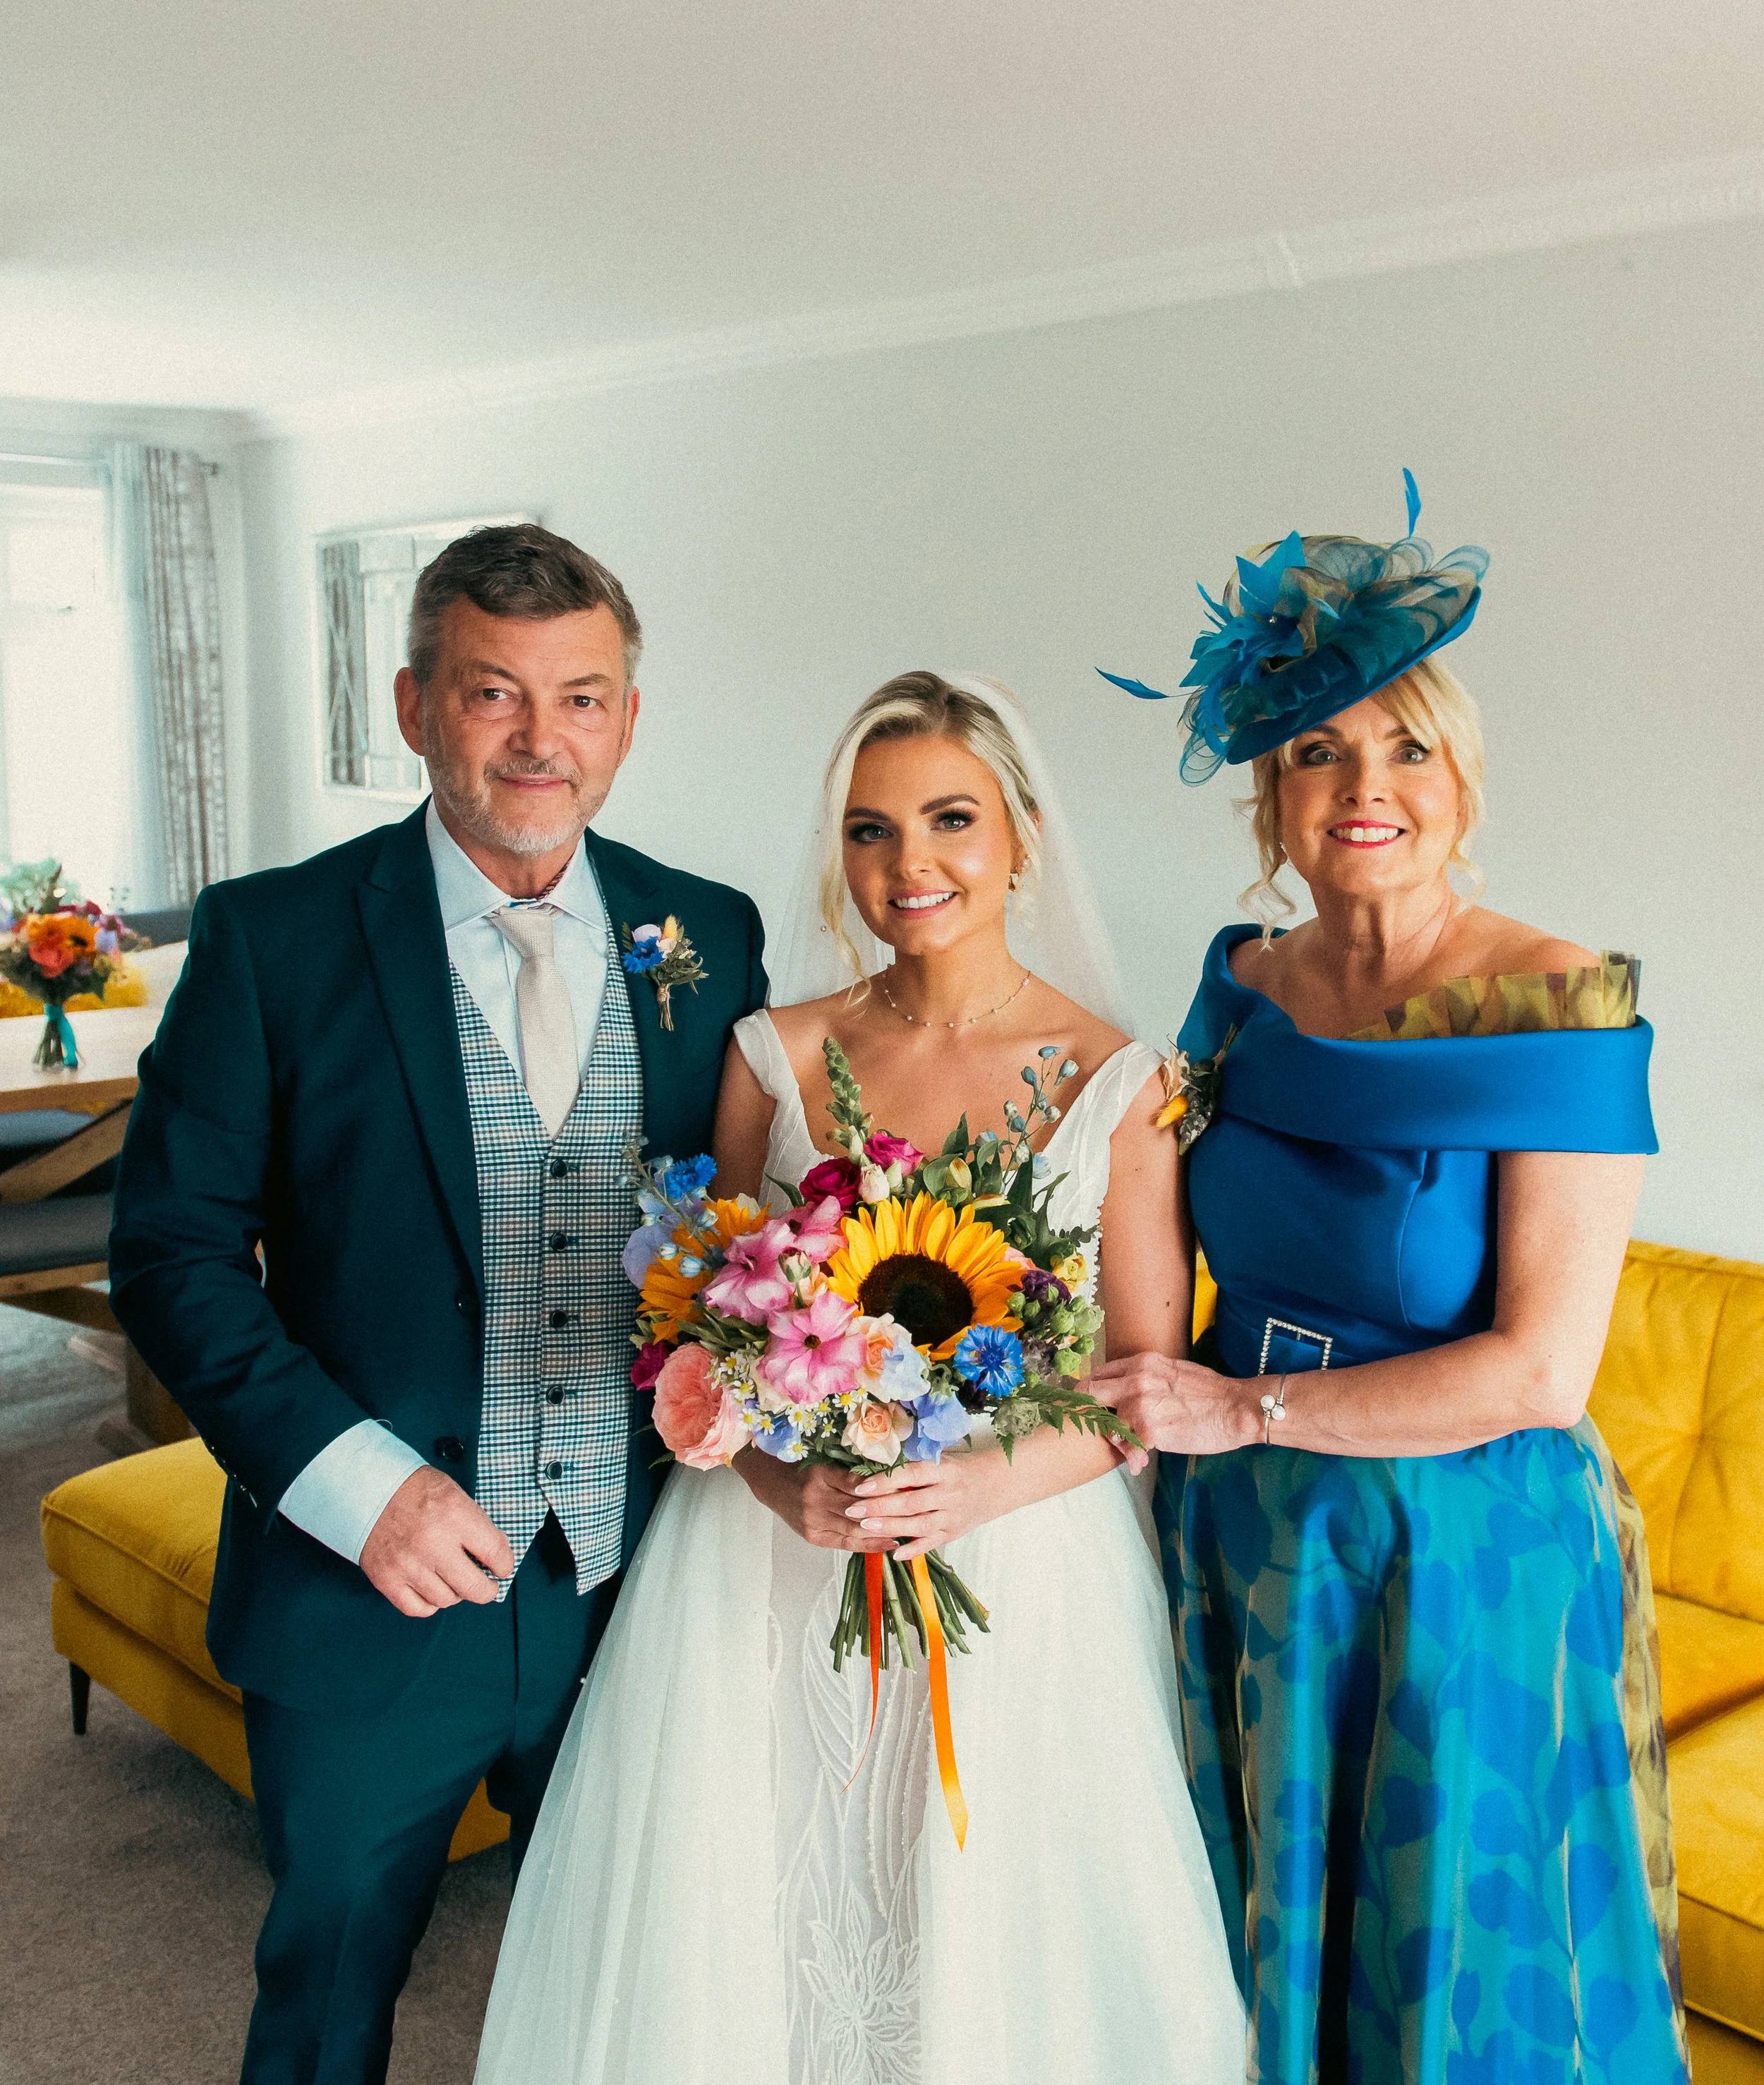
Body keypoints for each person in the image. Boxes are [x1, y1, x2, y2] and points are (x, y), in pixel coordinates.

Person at [475, 671, 1245, 2085]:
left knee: (984, 1917)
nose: (909, 864)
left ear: (1018, 834)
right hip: (768, 1561)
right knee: (759, 1907)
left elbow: (1144, 1368)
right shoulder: (777, 1052)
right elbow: (697, 1323)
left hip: (1019, 1563)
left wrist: (976, 1483)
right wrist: (783, 1481)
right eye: (868, 829)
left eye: (949, 818)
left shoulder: (1119, 1083)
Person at [109, 524, 767, 2085]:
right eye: (493, 693)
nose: (543, 740)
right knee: (331, 1982)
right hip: (368, 1591)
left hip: (636, 1578)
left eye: (584, 698)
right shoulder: (273, 936)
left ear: (626, 716)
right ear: (413, 707)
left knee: (636, 1986)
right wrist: (358, 1487)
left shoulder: (708, 930)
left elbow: (748, 1227)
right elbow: (171, 1254)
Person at [1092, 490, 1689, 2084]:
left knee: (1443, 1968)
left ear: (1460, 777)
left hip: (1455, 1539)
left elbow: (1536, 1372)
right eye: (1317, 753)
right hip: (1237, 1527)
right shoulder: (1239, 984)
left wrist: (1242, 1405)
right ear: (1268, 799)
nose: (1365, 789)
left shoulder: (1557, 1003)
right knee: (1244, 1932)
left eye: (1403, 748)